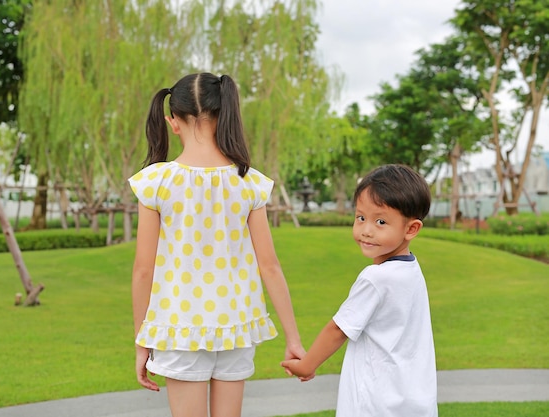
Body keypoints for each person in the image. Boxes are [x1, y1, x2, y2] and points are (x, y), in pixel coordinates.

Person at [129, 72, 307, 417]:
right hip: (235, 326)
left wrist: (142, 342)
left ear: (173, 122)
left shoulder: (156, 182)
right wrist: (294, 339)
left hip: (179, 327)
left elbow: (143, 270)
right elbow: (269, 266)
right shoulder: (249, 182)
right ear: (225, 114)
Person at [281, 164, 438, 417]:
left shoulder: (376, 278)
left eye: (381, 221)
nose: (366, 229)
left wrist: (306, 365)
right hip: (411, 399)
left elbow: (338, 329)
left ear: (411, 229)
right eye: (361, 217)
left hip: (375, 402)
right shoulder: (411, 270)